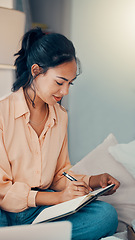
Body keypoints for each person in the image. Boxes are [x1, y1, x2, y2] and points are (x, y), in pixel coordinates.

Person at [0, 27, 120, 239]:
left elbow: (59, 175)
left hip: (41, 210)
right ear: (36, 71)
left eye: (69, 84)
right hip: (5, 210)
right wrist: (58, 199)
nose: (65, 92)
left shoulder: (60, 116)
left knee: (106, 215)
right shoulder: (2, 113)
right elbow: (3, 190)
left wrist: (94, 181)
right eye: (59, 82)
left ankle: (28, 235)